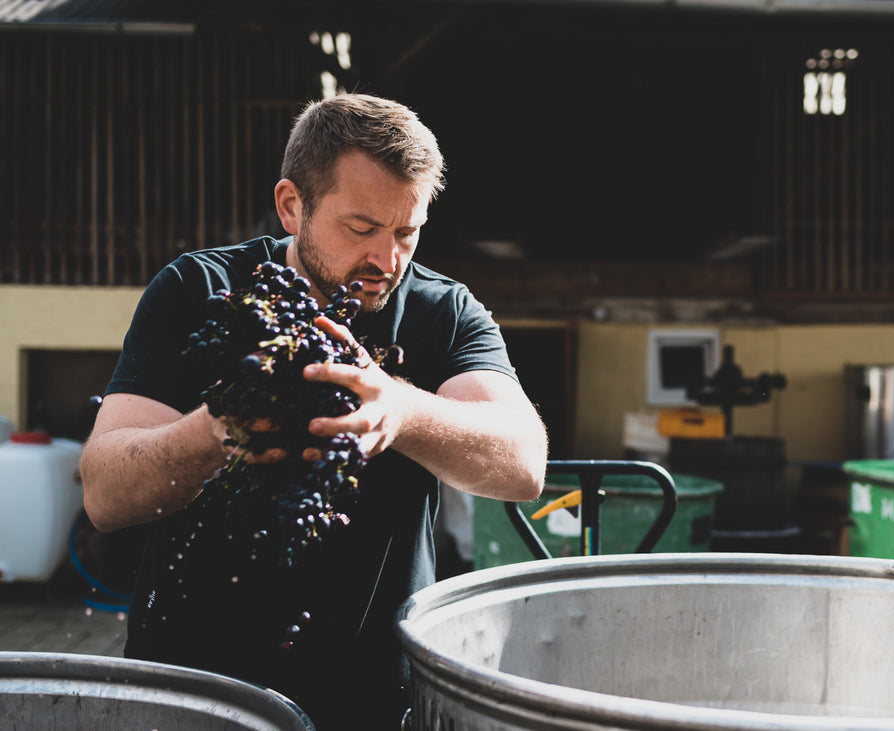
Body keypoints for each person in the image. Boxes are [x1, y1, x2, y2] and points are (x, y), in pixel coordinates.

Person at [80, 92, 547, 729]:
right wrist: (216, 431)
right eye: (361, 229)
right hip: (191, 690)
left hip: (375, 699)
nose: (386, 262)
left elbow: (523, 462)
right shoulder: (198, 291)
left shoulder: (445, 312)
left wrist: (401, 410)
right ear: (292, 205)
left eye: (406, 232)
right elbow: (104, 494)